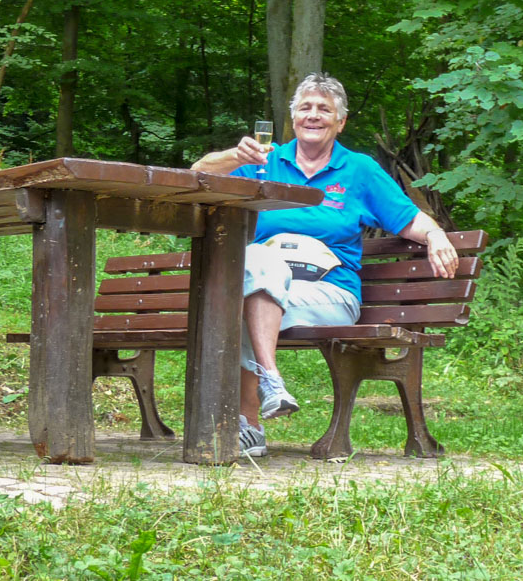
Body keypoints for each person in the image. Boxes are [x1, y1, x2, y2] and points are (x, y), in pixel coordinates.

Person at [191, 72, 459, 457]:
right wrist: (236, 156)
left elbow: (407, 217)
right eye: (305, 108)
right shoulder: (265, 160)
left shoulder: (359, 170)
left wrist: (435, 235)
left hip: (327, 293)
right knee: (255, 265)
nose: (313, 115)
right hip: (265, 281)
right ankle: (268, 388)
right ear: (293, 118)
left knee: (238, 297)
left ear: (340, 121)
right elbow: (197, 175)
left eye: (324, 109)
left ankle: (249, 422)